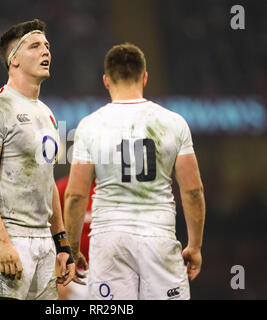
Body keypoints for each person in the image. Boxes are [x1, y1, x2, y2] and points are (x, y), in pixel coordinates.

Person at [64, 43, 205, 300]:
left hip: (109, 240)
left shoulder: (90, 125)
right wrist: (194, 246)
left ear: (106, 81)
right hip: (158, 236)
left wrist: (72, 249)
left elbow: (75, 195)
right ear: (145, 77)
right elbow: (193, 190)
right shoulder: (173, 123)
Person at [0, 19, 75, 300]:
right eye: (35, 46)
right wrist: (1, 241)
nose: (46, 51)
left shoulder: (48, 114)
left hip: (43, 242)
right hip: (8, 235)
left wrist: (61, 243)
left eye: (47, 46)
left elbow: (46, 179)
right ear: (13, 60)